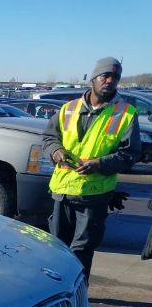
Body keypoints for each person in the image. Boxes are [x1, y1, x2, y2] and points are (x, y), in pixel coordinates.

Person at [42, 57, 141, 282]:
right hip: (62, 191)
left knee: (80, 251)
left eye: (115, 77)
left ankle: (77, 299)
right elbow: (49, 137)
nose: (109, 81)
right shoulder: (69, 108)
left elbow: (130, 154)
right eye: (105, 76)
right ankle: (55, 297)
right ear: (93, 79)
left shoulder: (126, 113)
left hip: (93, 195)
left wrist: (99, 164)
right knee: (56, 249)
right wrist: (56, 151)